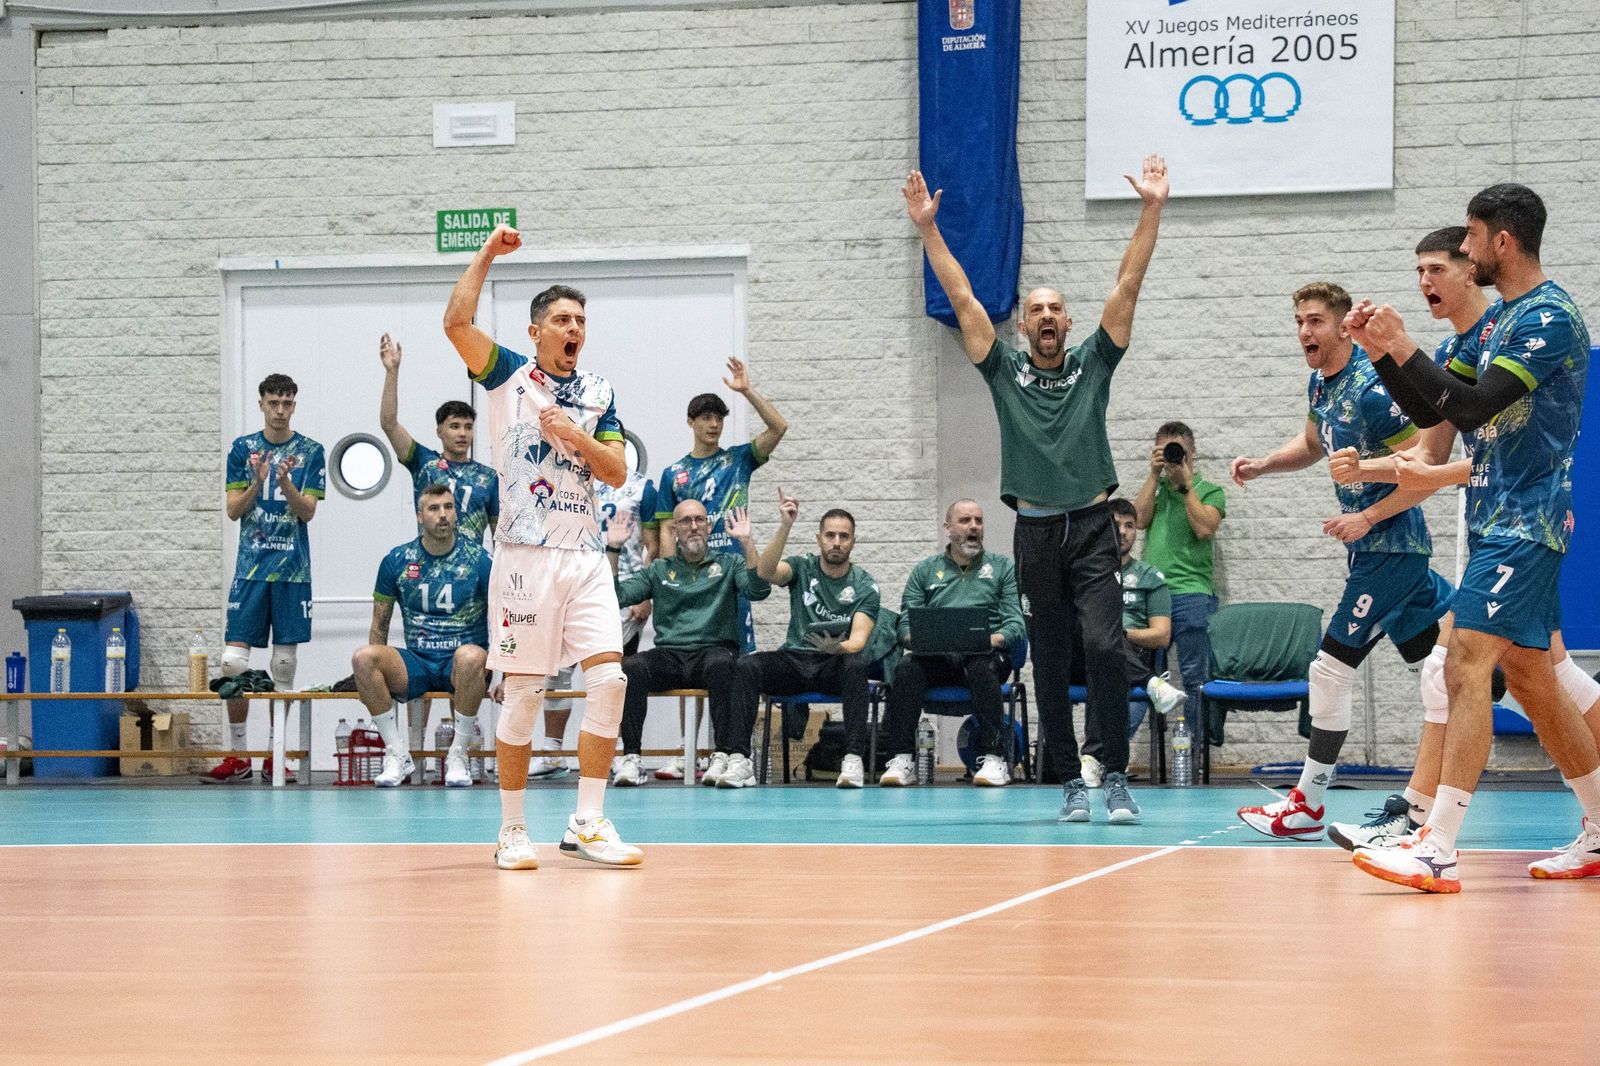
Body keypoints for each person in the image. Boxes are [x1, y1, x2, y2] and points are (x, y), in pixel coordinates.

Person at [1340, 185, 1599, 890]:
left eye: (1474, 239)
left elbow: (1482, 406)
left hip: (1528, 520)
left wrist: (1401, 344)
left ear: (1501, 242)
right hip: (1493, 521)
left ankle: (1437, 843)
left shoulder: (1550, 318)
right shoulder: (1486, 329)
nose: (1468, 250)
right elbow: (1434, 408)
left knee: (1461, 662)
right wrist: (1385, 355)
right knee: (1534, 680)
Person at [903, 154, 1170, 824]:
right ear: (1023, 325)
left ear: (1069, 322)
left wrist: (1152, 209)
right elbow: (964, 298)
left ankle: (1110, 771)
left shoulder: (1093, 364)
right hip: (1037, 533)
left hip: (1090, 530)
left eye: (1056, 309)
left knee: (1108, 647)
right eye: (1035, 310)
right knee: (1048, 659)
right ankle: (1069, 782)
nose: (1046, 317)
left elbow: (1129, 285)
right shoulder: (1002, 370)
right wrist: (929, 231)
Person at [442, 223, 641, 870]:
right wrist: (487, 254)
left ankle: (587, 820)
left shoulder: (598, 393)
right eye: (561, 319)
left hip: (584, 556)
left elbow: (614, 471)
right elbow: (454, 321)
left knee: (610, 681)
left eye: (580, 319)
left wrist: (574, 437)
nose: (573, 328)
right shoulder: (507, 375)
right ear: (537, 332)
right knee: (525, 692)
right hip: (525, 556)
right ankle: (511, 829)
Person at [1229, 282, 1451, 841]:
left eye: (1315, 322)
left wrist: (1368, 518)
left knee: (1329, 669)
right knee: (1462, 671)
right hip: (1374, 554)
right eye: (1299, 322)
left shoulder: (1373, 390)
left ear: (1339, 326)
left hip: (1391, 548)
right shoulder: (1320, 385)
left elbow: (1420, 464)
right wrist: (1262, 465)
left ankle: (1308, 803)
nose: (1305, 332)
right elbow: (1312, 445)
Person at [647, 362, 788, 776]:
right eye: (705, 417)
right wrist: (667, 579)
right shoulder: (674, 473)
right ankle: (683, 749)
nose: (713, 424)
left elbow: (779, 428)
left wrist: (746, 391)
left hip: (732, 570)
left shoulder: (739, 459)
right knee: (682, 652)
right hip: (690, 571)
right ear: (691, 422)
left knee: (729, 664)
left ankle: (726, 750)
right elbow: (667, 533)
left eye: (719, 418)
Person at [202, 374, 325, 784]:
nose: (280, 410)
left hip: (292, 570)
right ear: (261, 404)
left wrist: (286, 481)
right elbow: (234, 510)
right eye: (273, 402)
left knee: (284, 664)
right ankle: (238, 755)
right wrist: (258, 479)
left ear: (295, 405)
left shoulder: (310, 451)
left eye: (287, 402)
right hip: (251, 569)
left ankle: (277, 754)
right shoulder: (243, 449)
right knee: (232, 662)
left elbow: (307, 512)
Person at [611, 502, 771, 789]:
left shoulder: (728, 563)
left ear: (709, 527)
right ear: (674, 530)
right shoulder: (659, 569)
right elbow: (617, 596)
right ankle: (632, 758)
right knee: (631, 667)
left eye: (700, 520)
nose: (694, 526)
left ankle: (722, 755)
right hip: (671, 655)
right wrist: (613, 549)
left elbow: (759, 590)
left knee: (724, 664)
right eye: (686, 521)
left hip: (714, 652)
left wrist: (747, 542)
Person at [733, 489, 880, 788]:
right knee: (747, 667)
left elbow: (859, 640)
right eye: (830, 535)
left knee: (855, 665)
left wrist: (836, 646)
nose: (836, 542)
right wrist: (785, 525)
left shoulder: (865, 584)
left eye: (843, 536)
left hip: (833, 663)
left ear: (853, 541)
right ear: (819, 539)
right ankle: (738, 758)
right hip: (796, 661)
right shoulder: (802, 567)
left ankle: (852, 760)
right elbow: (765, 571)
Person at [351, 484, 491, 787]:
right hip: (418, 661)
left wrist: (505, 674)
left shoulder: (479, 559)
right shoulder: (397, 560)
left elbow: (504, 618)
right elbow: (380, 624)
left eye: (449, 507)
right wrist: (371, 681)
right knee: (363, 658)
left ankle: (458, 753)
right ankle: (396, 753)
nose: (443, 515)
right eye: (434, 508)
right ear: (419, 516)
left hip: (462, 664)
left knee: (471, 656)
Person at [879, 499, 1025, 788]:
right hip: (938, 657)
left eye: (978, 521)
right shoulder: (925, 571)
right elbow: (905, 625)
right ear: (948, 528)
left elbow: (1016, 625)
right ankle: (902, 758)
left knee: (982, 667)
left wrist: (986, 639)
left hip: (985, 654)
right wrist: (919, 639)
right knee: (906, 668)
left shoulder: (1002, 568)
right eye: (965, 520)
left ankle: (995, 758)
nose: (973, 526)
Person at [1080, 498, 1187, 785]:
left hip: (1131, 657)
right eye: (1116, 525)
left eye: (1130, 525)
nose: (1124, 532)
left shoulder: (1149, 577)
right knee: (1099, 648)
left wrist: (1119, 636)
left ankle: (1091, 758)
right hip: (1087, 654)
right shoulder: (1086, 573)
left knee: (1105, 652)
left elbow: (1162, 635)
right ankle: (1153, 684)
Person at [1132, 421, 1225, 736]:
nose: (1172, 456)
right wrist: (1153, 475)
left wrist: (1185, 486)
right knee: (1147, 677)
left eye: (1177, 450)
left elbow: (1204, 528)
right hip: (1152, 594)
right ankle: (1136, 756)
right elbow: (1139, 520)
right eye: (1164, 450)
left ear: (1192, 452)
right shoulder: (1154, 489)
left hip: (1192, 594)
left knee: (1195, 677)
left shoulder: (1209, 491)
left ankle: (1195, 755)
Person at [378, 332, 499, 542]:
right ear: (439, 431)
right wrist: (392, 372)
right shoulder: (424, 463)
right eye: (454, 426)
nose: (462, 433)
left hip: (473, 571)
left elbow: (500, 536)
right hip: (428, 567)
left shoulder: (488, 477)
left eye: (468, 427)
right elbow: (389, 423)